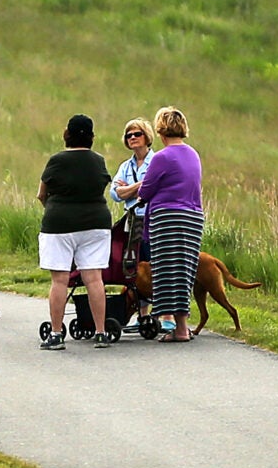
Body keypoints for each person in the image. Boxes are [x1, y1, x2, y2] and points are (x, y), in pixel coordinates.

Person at [38, 113, 114, 350]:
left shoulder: (57, 160)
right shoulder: (98, 160)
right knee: (94, 279)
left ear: (66, 134)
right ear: (91, 137)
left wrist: (53, 207)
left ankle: (57, 334)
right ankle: (101, 332)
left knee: (60, 280)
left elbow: (42, 193)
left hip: (59, 224)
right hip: (96, 224)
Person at [141, 105, 204, 342]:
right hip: (193, 216)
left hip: (167, 217)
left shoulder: (162, 157)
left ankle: (177, 329)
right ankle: (183, 325)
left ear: (161, 129)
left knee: (166, 270)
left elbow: (146, 190)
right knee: (184, 269)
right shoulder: (193, 154)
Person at [110, 117, 155, 254]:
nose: (133, 137)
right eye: (129, 135)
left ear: (146, 136)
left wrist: (128, 188)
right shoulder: (125, 166)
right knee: (134, 262)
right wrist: (142, 185)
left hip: (152, 220)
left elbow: (157, 191)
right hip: (133, 222)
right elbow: (115, 194)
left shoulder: (157, 161)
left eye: (137, 134)